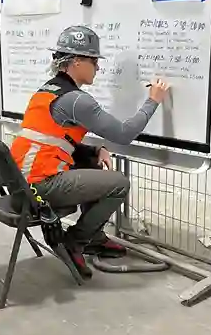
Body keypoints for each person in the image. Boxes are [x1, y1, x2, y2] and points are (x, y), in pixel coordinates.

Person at [11, 25, 169, 278]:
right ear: (76, 62)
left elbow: (54, 140)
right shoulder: (77, 100)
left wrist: (95, 150)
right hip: (40, 187)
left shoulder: (48, 90)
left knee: (93, 165)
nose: (98, 67)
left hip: (21, 180)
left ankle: (94, 237)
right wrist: (153, 100)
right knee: (119, 183)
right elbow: (124, 134)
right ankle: (75, 241)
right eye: (94, 61)